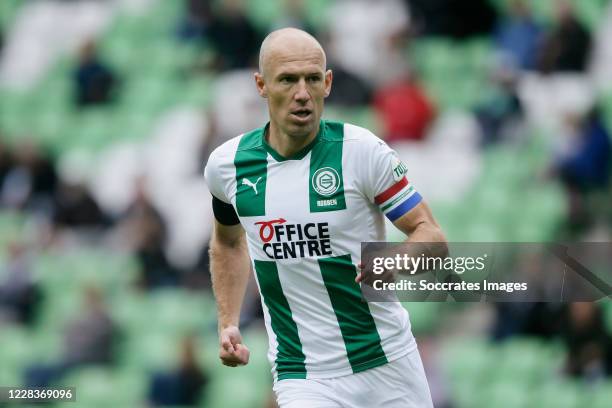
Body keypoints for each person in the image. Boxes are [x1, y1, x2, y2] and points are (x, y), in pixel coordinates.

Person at [204, 28, 446, 407]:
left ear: (328, 83)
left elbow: (431, 237)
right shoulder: (227, 166)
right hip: (303, 375)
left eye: (312, 79)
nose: (302, 93)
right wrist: (228, 321)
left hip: (388, 363)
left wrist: (394, 262)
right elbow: (228, 241)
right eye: (287, 79)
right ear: (261, 85)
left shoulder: (361, 151)